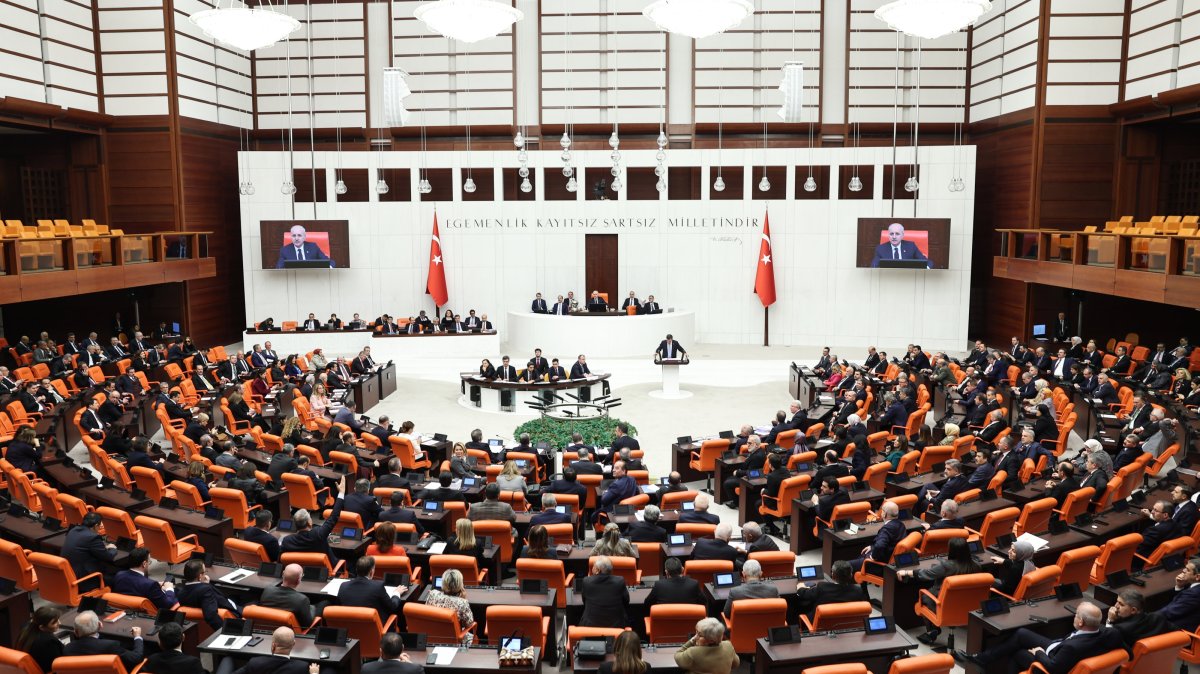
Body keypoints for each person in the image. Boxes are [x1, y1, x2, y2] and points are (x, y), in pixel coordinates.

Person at [954, 602, 1115, 674]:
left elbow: (1053, 668)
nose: (1074, 617)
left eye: (1076, 615)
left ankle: (982, 659)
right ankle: (982, 658)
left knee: (1018, 654)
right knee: (1022, 633)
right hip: (1059, 646)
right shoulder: (1102, 631)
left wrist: (1039, 652)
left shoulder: (1073, 648)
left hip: (1054, 658)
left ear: (1080, 622)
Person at [899, 537, 982, 644]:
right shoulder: (976, 566)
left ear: (951, 550)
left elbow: (926, 574)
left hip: (945, 604)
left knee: (925, 597)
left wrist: (905, 572)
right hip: (967, 606)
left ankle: (932, 630)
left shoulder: (946, 566)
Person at [281, 476, 346, 563]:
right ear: (309, 523)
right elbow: (333, 517)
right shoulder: (319, 534)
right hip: (326, 572)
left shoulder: (287, 541)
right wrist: (341, 493)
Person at [214, 626, 316, 674]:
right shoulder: (302, 667)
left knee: (228, 658)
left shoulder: (255, 662)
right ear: (293, 644)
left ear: (273, 646)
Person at [62, 610, 144, 668]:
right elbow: (136, 658)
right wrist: (137, 637)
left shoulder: (67, 649)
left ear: (75, 632)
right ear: (100, 625)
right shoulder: (111, 645)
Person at [176, 560, 241, 631]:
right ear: (200, 576)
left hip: (200, 630)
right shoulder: (205, 590)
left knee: (234, 596)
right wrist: (225, 632)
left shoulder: (180, 593)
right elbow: (211, 615)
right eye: (204, 572)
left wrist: (205, 584)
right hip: (231, 613)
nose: (205, 575)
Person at [794, 560, 866, 622]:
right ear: (850, 575)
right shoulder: (858, 590)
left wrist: (801, 587)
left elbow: (805, 594)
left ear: (833, 575)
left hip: (819, 624)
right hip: (845, 624)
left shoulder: (823, 587)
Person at [1106, 590, 1172, 652]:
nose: (1115, 606)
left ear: (1133, 610)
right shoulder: (1158, 617)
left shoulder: (1122, 628)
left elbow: (1107, 643)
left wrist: (1110, 621)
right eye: (1117, 601)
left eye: (1121, 604)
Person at [112, 547, 177, 611]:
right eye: (149, 562)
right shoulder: (150, 585)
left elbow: (136, 583)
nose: (149, 564)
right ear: (144, 564)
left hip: (123, 610)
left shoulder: (119, 575)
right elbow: (168, 604)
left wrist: (156, 585)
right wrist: (169, 589)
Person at [338, 556, 401, 621]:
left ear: (356, 570)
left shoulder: (343, 586)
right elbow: (392, 606)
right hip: (374, 628)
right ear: (371, 571)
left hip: (350, 627)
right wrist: (397, 593)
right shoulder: (378, 586)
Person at [849, 501, 906, 572]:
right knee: (862, 555)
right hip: (891, 560)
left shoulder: (887, 529)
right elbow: (890, 544)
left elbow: (880, 546)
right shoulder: (901, 525)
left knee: (846, 566)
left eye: (882, 510)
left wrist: (872, 557)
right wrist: (872, 547)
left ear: (885, 514)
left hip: (878, 564)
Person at [425, 570, 475, 644]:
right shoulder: (462, 602)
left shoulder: (433, 594)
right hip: (454, 640)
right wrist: (462, 597)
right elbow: (469, 624)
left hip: (432, 636)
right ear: (460, 584)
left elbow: (426, 611)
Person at [63, 512, 117, 582]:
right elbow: (108, 557)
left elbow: (86, 546)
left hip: (69, 574)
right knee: (117, 577)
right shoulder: (93, 537)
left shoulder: (73, 530)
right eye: (99, 525)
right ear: (96, 525)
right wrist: (112, 548)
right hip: (84, 579)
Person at [674, 618, 739, 674]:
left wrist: (691, 641)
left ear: (711, 640)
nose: (696, 637)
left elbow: (677, 656)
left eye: (699, 635)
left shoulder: (693, 653)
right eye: (696, 632)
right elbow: (736, 664)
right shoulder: (728, 646)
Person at [579, 556, 630, 627]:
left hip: (591, 625)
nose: (592, 568)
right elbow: (626, 601)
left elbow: (584, 601)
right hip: (616, 625)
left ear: (598, 570)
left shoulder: (587, 581)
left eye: (593, 566)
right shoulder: (619, 581)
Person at [1132, 500, 1181, 571]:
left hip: (1140, 560)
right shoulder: (1176, 525)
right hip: (1164, 559)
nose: (1151, 512)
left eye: (1156, 510)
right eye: (1153, 509)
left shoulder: (1155, 530)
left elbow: (1138, 546)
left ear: (1165, 515)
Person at [1156, 558, 1200, 631]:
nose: (1183, 570)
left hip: (1179, 630)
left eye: (1188, 570)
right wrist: (1179, 586)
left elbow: (1169, 612)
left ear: (1197, 577)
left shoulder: (1194, 594)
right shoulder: (1193, 589)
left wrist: (1147, 618)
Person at [17, 607, 63, 674]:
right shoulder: (48, 642)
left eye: (58, 620)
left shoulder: (27, 629)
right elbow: (57, 664)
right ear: (42, 627)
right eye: (54, 622)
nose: (60, 623)